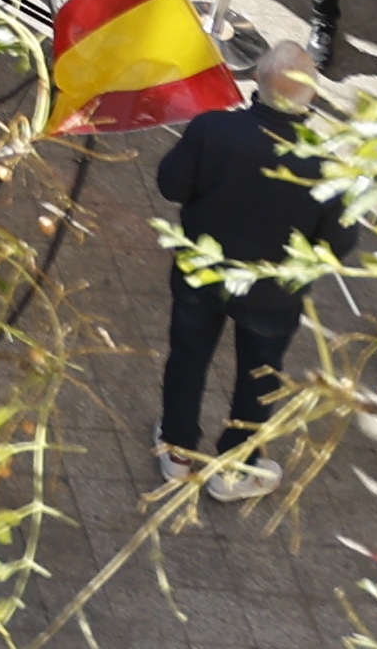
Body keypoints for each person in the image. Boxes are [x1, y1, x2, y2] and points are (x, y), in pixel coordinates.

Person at [148, 27, 341, 461]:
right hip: (273, 293)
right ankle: (237, 465)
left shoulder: (212, 128)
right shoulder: (324, 163)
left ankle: (177, 450)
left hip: (204, 271)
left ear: (258, 80)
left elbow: (170, 185)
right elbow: (339, 244)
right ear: (309, 98)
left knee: (188, 360)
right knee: (260, 377)